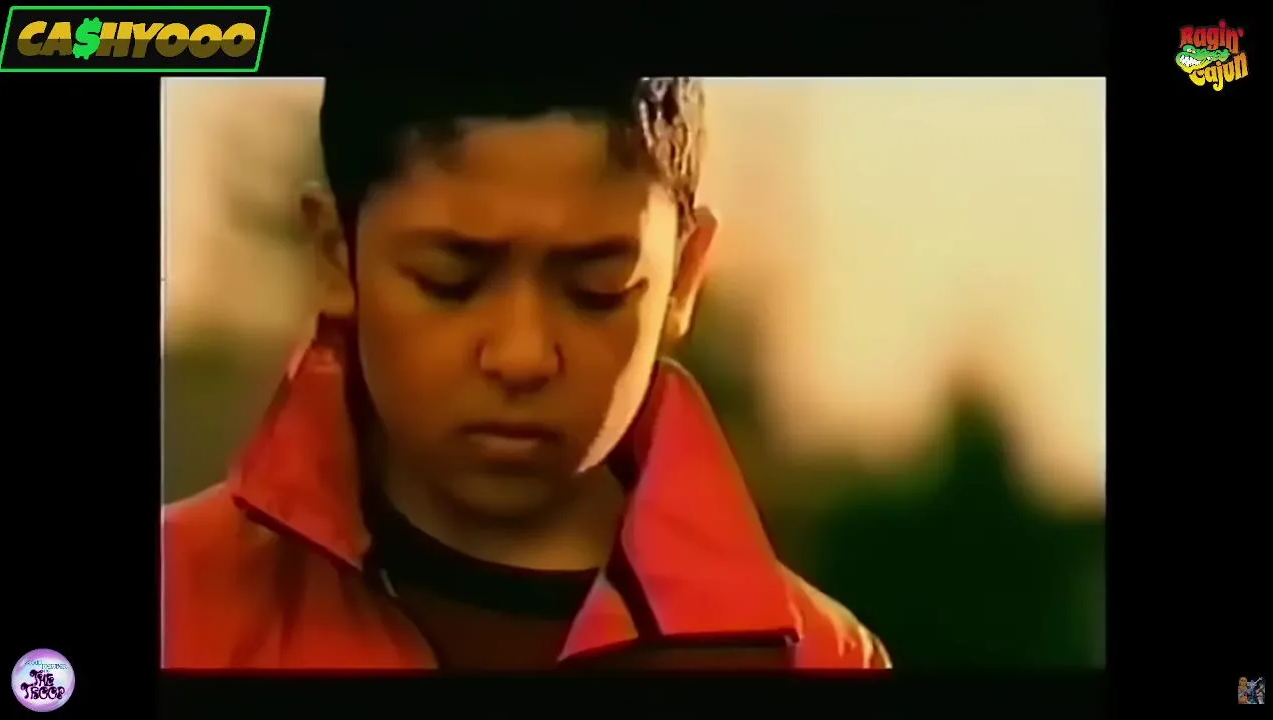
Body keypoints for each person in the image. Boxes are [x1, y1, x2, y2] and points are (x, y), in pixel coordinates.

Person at [162, 77, 891, 671]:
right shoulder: (178, 602)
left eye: (596, 289)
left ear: (684, 278)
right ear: (335, 252)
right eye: (450, 281)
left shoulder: (811, 659)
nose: (522, 356)